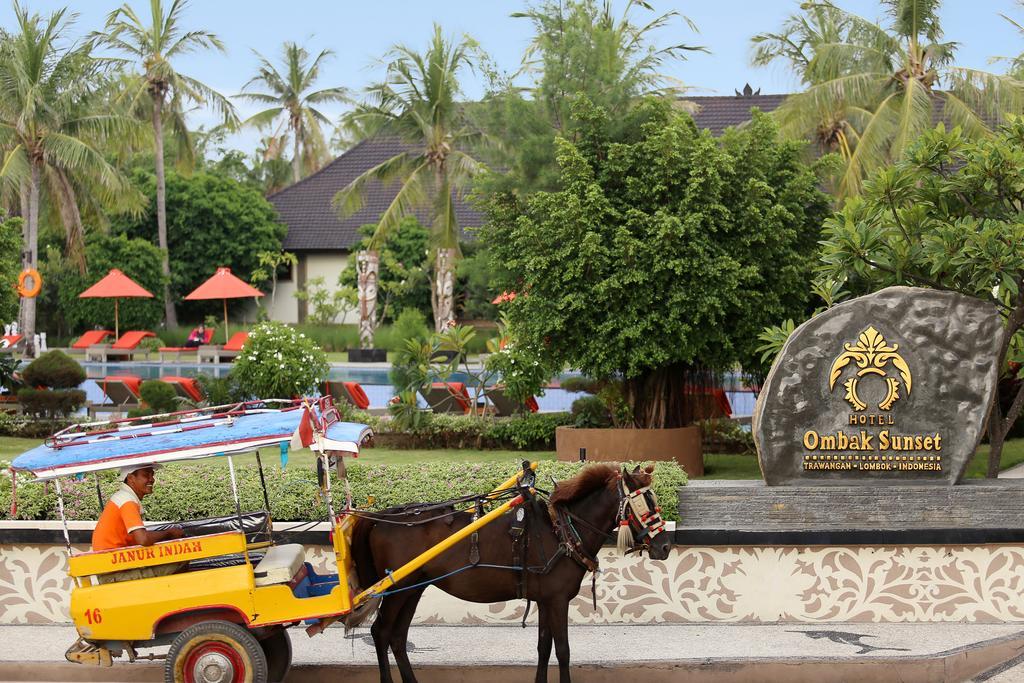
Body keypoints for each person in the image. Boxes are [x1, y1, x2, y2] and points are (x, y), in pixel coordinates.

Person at [92, 464, 185, 582]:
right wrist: (169, 533)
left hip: (117, 566)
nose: (152, 479)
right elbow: (143, 539)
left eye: (152, 475)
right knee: (180, 560)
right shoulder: (127, 501)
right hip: (115, 573)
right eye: (146, 475)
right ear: (131, 478)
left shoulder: (124, 497)